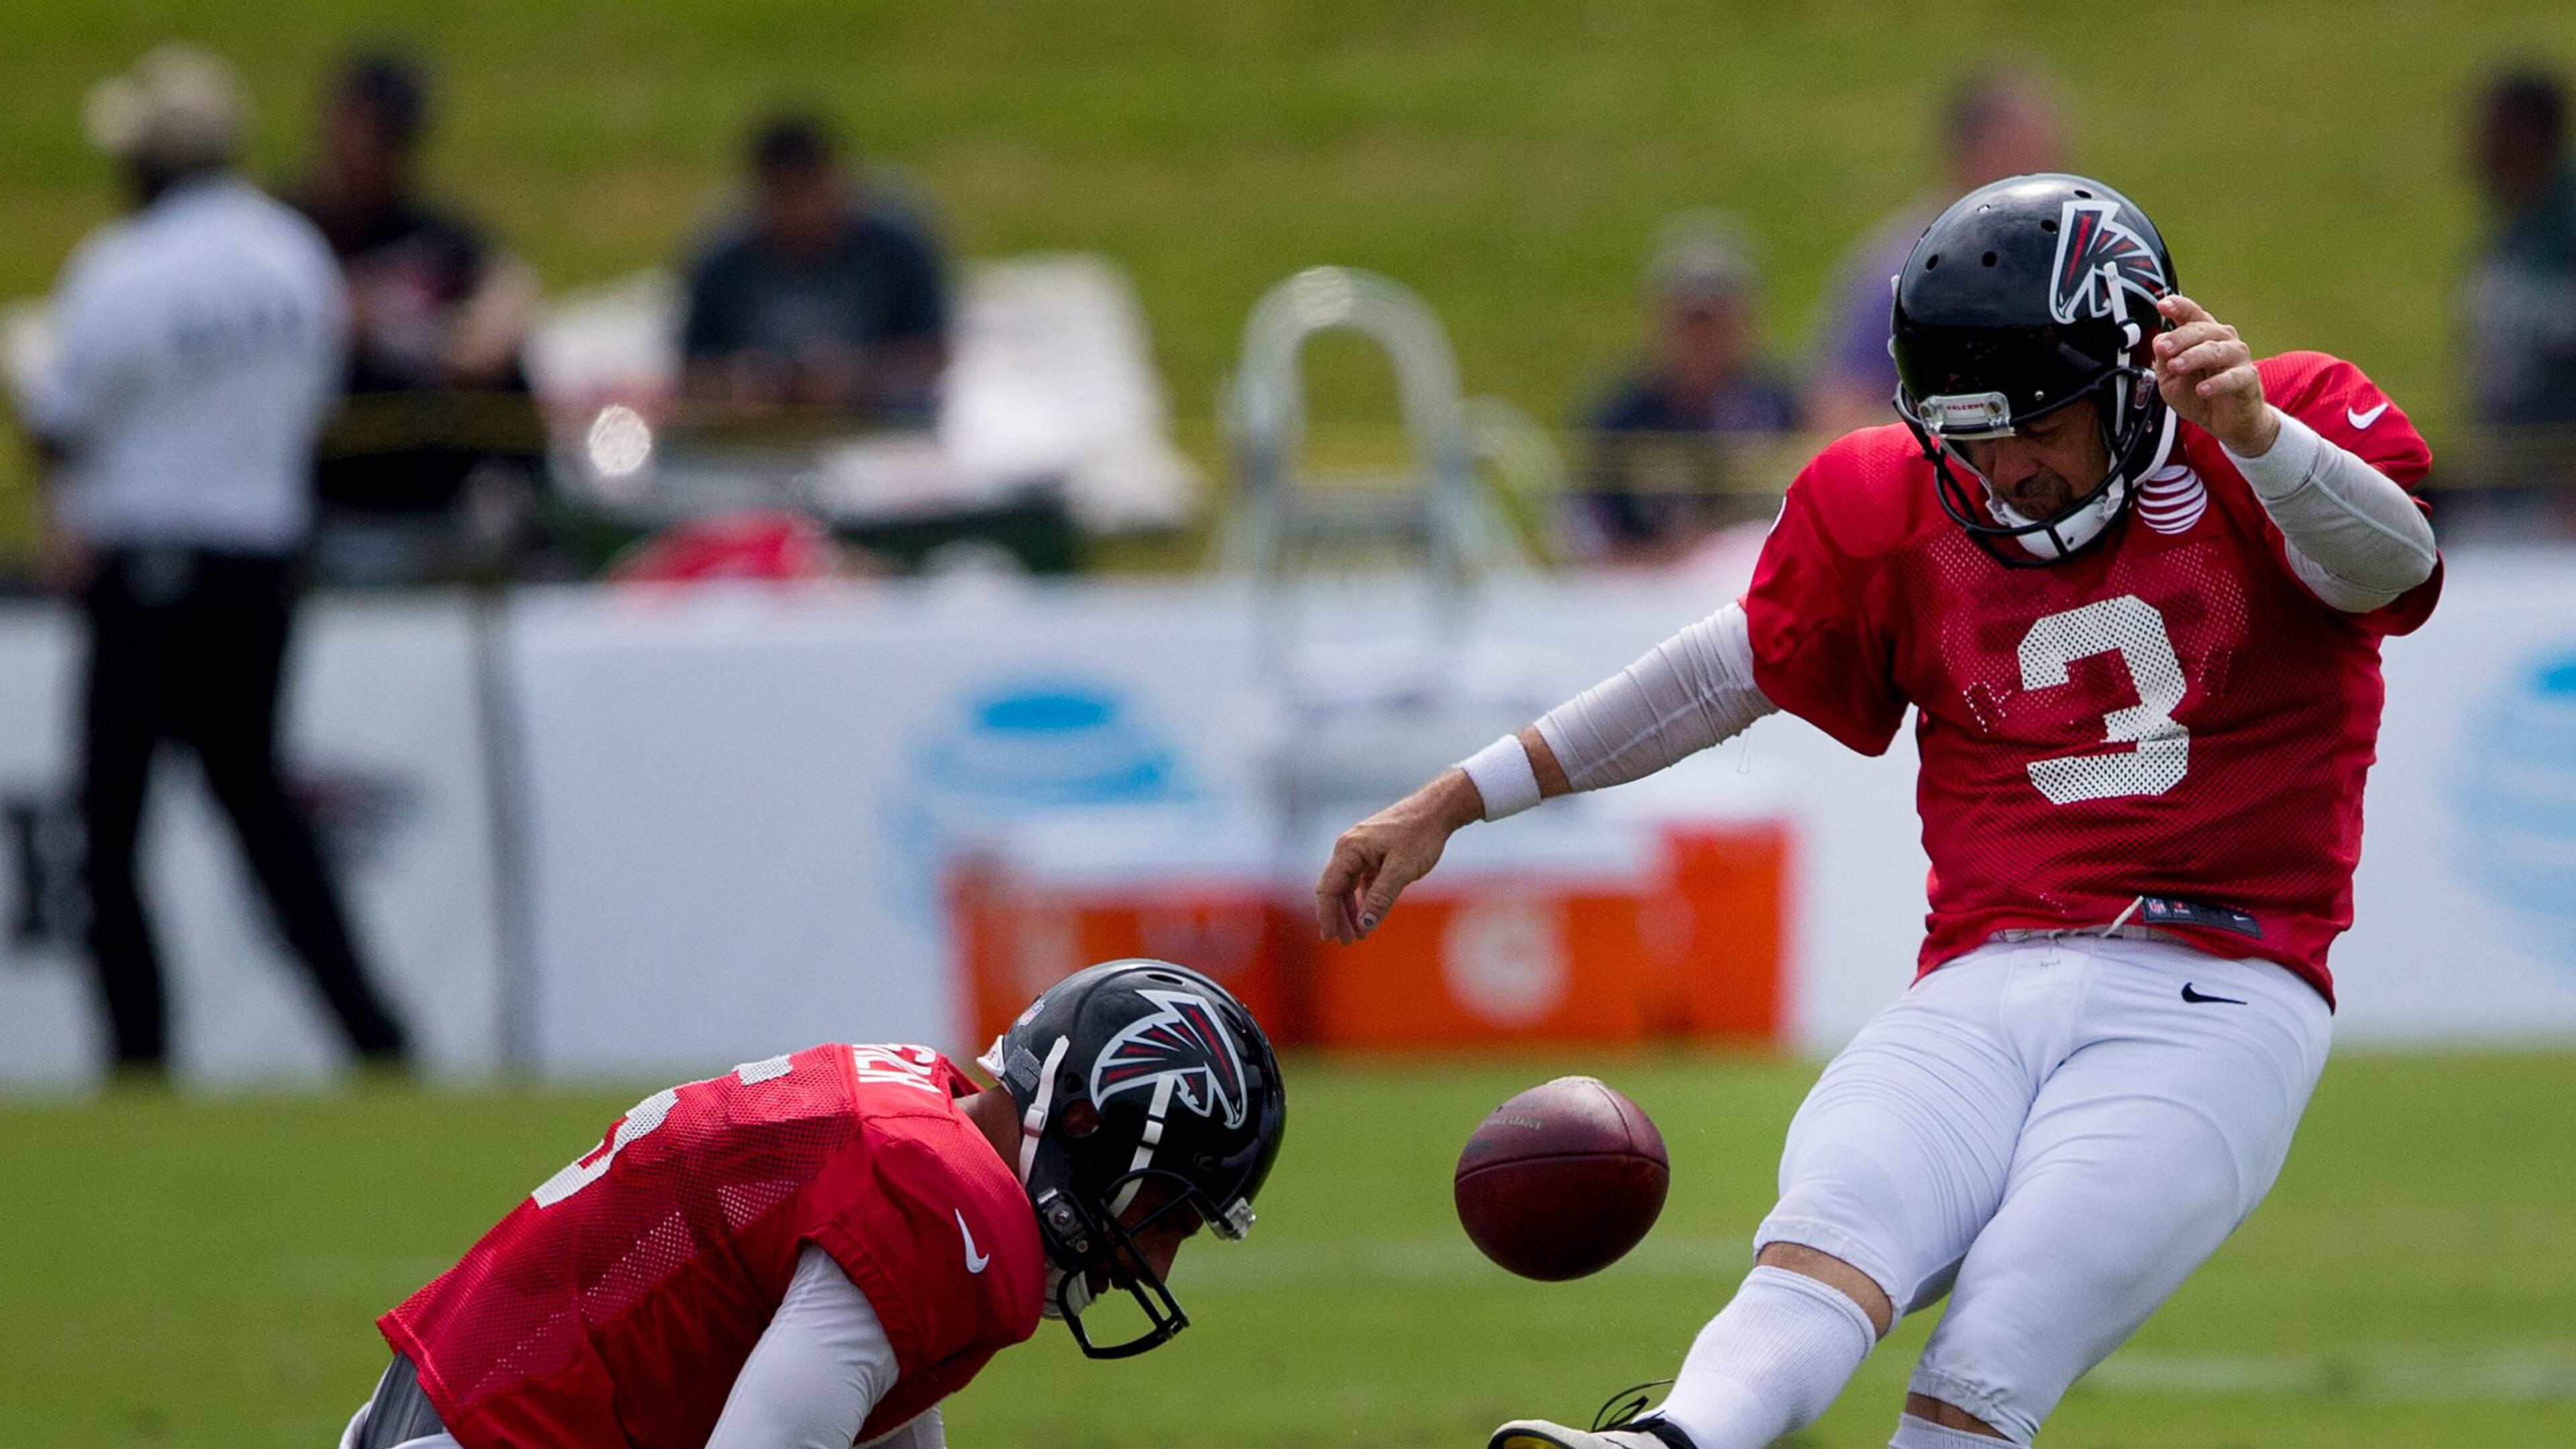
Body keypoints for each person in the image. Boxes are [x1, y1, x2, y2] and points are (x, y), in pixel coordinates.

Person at [1316, 174, 2439, 1449]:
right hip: (1983, 973)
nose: (2004, 470)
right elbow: (1719, 673)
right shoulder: (1890, 501)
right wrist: (1461, 797)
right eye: (1970, 436)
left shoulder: (2274, 426)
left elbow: (2394, 570)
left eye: (2037, 427)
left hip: (2223, 988)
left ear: (2139, 378)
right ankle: (1667, 1444)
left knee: (1997, 1347)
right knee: (1826, 1236)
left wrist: (2253, 436)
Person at [336, 959, 1288, 1449]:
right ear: (1090, 1128)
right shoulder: (939, 1201)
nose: (1150, 1264)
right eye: (1167, 1216)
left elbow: (871, 1401)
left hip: (449, 1410)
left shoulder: (921, 1107)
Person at [11, 46, 411, 1075]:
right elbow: (314, 402)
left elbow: (62, 420)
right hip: (263, 568)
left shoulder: (125, 268)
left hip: (149, 570)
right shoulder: (293, 256)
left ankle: (140, 1055)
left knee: (112, 824)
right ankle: (374, 1034)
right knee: (261, 808)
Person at [290, 51, 545, 582]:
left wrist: (486, 323)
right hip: (317, 495)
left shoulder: (437, 237)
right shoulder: (284, 235)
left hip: (432, 490)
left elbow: (502, 300)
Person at [1807, 67, 2068, 437]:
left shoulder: (2068, 258)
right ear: (1968, 156)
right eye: (2022, 153)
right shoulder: (1901, 267)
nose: (2048, 172)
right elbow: (1835, 414)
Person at [679, 112, 950, 423]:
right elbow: (690, 370)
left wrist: (854, 378)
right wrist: (746, 382)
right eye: (783, 196)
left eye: (805, 192)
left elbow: (933, 356)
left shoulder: (896, 247)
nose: (798, 214)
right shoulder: (724, 259)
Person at [1576, 219, 1802, 562]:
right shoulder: (1623, 418)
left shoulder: (1778, 405)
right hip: (1650, 590)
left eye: (1716, 324)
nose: (1702, 342)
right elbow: (1590, 533)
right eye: (1690, 325)